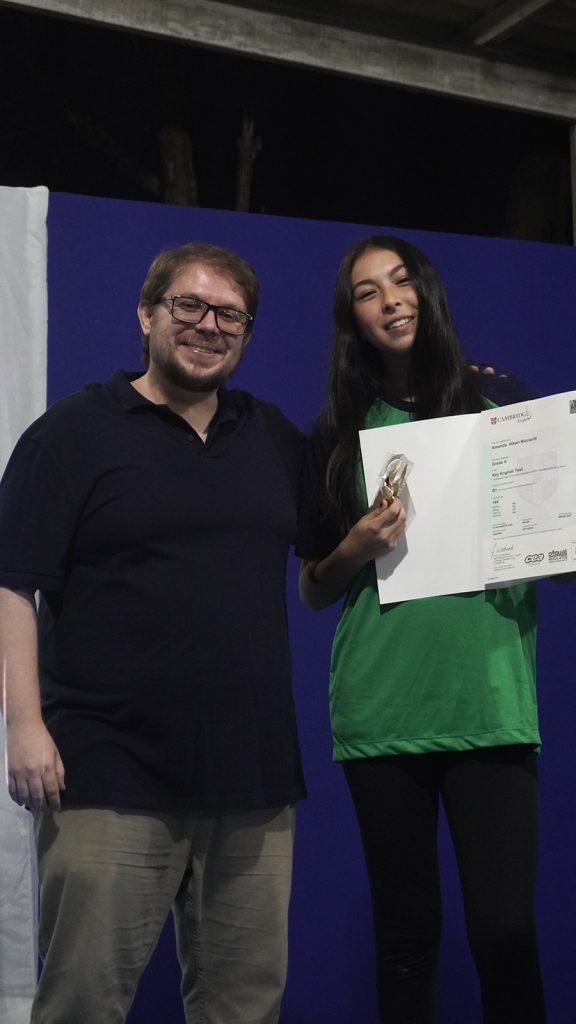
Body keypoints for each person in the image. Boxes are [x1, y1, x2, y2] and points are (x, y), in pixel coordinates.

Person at [0, 242, 306, 1024]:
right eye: (189, 305)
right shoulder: (72, 433)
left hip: (253, 779)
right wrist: (25, 726)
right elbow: (12, 582)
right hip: (109, 770)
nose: (208, 326)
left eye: (229, 314)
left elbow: (339, 545)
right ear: (146, 314)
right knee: (83, 1003)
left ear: (247, 331)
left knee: (244, 1008)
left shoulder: (270, 436)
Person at [297, 234, 545, 1023]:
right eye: (368, 291)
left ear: (427, 291)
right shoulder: (338, 432)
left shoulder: (502, 404)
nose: (390, 300)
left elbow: (556, 539)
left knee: (504, 932)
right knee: (407, 937)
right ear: (353, 317)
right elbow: (313, 587)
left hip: (488, 704)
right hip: (383, 710)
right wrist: (356, 546)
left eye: (401, 281)